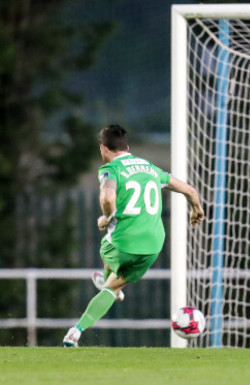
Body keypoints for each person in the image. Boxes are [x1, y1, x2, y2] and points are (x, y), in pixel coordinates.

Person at [63, 124, 204, 347]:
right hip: (153, 246)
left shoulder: (111, 169)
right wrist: (196, 209)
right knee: (114, 287)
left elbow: (108, 198)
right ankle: (98, 299)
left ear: (103, 149)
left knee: (107, 248)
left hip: (122, 246)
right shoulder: (150, 167)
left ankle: (80, 325)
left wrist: (106, 218)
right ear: (127, 147)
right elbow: (190, 190)